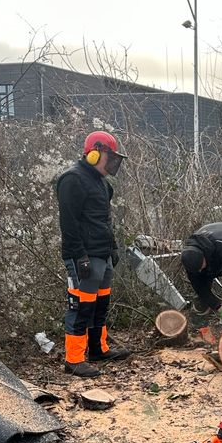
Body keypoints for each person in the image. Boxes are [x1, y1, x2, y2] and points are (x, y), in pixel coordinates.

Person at [56, 131, 131, 377]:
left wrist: (113, 249)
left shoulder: (101, 183)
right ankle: (74, 359)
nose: (112, 163)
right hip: (84, 256)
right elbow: (69, 223)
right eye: (109, 156)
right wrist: (80, 257)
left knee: (100, 304)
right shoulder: (72, 179)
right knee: (80, 306)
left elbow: (103, 221)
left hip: (102, 254)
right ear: (95, 153)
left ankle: (98, 348)